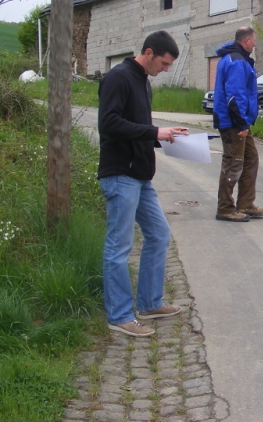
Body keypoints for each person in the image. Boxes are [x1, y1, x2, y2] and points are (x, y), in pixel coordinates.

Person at [98, 30, 186, 338]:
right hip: (120, 174)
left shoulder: (142, 83)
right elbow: (108, 124)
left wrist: (165, 136)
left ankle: (149, 303)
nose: (164, 71)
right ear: (148, 52)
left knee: (159, 235)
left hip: (140, 176)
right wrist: (153, 133)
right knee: (119, 247)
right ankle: (120, 315)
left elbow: (139, 127)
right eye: (162, 63)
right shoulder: (118, 78)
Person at [213, 26, 263, 223]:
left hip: (238, 121)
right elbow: (234, 97)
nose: (255, 43)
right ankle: (225, 208)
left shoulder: (237, 59)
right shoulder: (236, 61)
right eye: (254, 40)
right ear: (246, 41)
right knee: (233, 163)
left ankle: (245, 203)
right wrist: (242, 123)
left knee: (251, 158)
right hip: (234, 122)